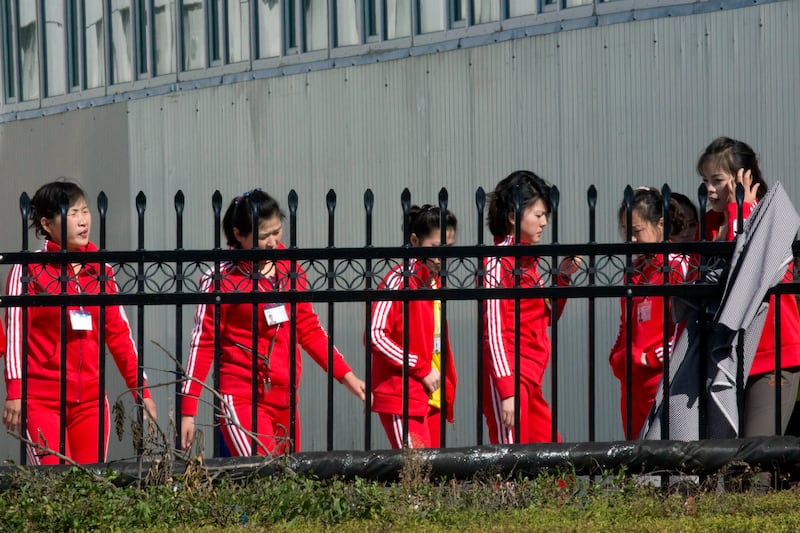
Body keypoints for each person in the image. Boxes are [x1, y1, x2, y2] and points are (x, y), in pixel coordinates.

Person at [180, 189, 366, 455]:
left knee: (285, 486)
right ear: (238, 234)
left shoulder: (291, 269)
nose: (272, 242)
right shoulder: (220, 277)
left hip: (285, 395)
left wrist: (346, 375)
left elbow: (310, 329)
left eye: (276, 232)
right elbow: (202, 344)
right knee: (263, 472)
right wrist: (188, 410)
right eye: (263, 236)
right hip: (240, 394)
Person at [3, 180, 157, 464]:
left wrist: (141, 390)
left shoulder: (102, 271)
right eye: (72, 214)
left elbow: (120, 335)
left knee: (91, 487)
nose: (83, 221)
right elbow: (14, 337)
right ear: (47, 224)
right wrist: (15, 391)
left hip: (90, 403)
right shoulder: (27, 270)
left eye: (85, 211)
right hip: (40, 401)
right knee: (54, 488)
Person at [697, 136, 800, 437]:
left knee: (757, 457)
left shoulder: (765, 214)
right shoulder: (711, 222)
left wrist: (738, 211)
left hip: (773, 351)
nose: (709, 189)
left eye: (717, 179)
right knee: (728, 454)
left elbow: (743, 270)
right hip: (733, 352)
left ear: (744, 177)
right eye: (705, 180)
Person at [482, 170, 580, 444]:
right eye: (538, 215)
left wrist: (562, 277)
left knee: (555, 463)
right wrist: (507, 389)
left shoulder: (528, 262)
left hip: (530, 376)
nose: (544, 223)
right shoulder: (497, 262)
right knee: (510, 465)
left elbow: (545, 317)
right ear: (514, 216)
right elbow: (493, 331)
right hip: (512, 377)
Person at [369, 204, 458, 448]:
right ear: (414, 241)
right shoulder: (399, 280)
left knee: (430, 476)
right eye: (435, 248)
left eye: (448, 249)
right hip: (403, 394)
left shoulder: (434, 282)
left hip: (432, 394)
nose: (442, 256)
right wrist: (421, 368)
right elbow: (375, 336)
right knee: (417, 474)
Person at [608, 187, 693, 439]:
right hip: (631, 382)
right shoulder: (632, 271)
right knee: (637, 460)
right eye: (625, 231)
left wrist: (650, 359)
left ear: (660, 225)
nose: (630, 240)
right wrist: (618, 356)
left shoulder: (678, 265)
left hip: (665, 379)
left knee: (667, 458)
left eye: (636, 231)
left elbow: (686, 327)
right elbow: (626, 324)